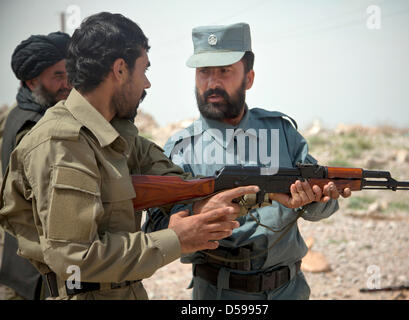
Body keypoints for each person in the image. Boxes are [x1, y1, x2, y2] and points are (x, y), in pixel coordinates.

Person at [0, 12, 258, 300]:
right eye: (143, 69)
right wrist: (177, 239)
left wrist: (263, 193)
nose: (146, 84)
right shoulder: (62, 143)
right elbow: (75, 258)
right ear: (120, 69)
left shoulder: (117, 132)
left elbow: (182, 187)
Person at [146, 22, 351, 300]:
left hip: (287, 290)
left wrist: (315, 200)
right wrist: (199, 212)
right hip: (217, 294)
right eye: (204, 72)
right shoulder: (181, 149)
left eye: (225, 71)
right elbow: (154, 235)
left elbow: (320, 207)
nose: (212, 83)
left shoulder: (281, 133)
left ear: (249, 78)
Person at [0, 31, 71, 300]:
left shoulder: (16, 113)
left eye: (69, 74)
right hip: (33, 276)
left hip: (20, 268)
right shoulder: (34, 126)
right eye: (58, 76)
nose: (68, 83)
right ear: (31, 81)